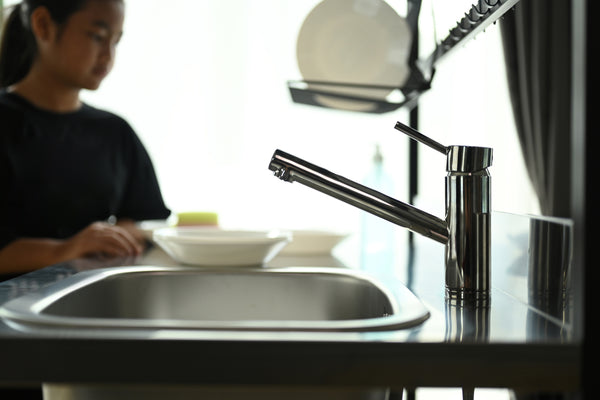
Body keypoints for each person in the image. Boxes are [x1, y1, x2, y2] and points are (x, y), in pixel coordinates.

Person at [0, 0, 171, 278]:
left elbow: (141, 222)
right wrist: (64, 250)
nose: (108, 55)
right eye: (97, 37)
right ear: (43, 25)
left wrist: (117, 237)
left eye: (116, 41)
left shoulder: (116, 132)